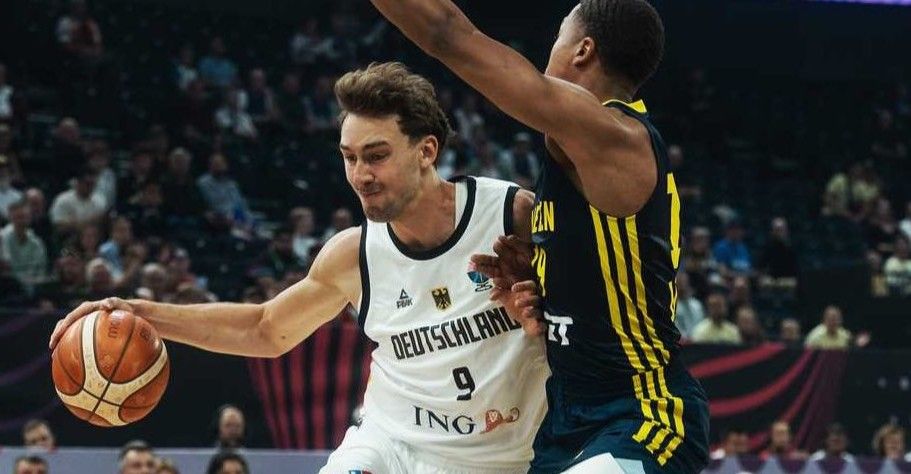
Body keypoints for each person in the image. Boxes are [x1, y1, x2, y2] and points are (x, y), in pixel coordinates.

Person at [51, 63, 548, 474]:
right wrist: (138, 312)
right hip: (391, 447)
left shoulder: (513, 215)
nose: (361, 175)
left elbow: (585, 320)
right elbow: (266, 329)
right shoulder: (354, 255)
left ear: (427, 150)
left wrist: (544, 308)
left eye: (376, 156)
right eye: (349, 158)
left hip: (505, 458)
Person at [370, 1, 710, 471]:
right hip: (567, 419)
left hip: (641, 411)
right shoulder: (585, 152)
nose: (549, 52)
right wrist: (541, 287)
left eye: (557, 37)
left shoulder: (613, 134)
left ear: (583, 50)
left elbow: (448, 33)